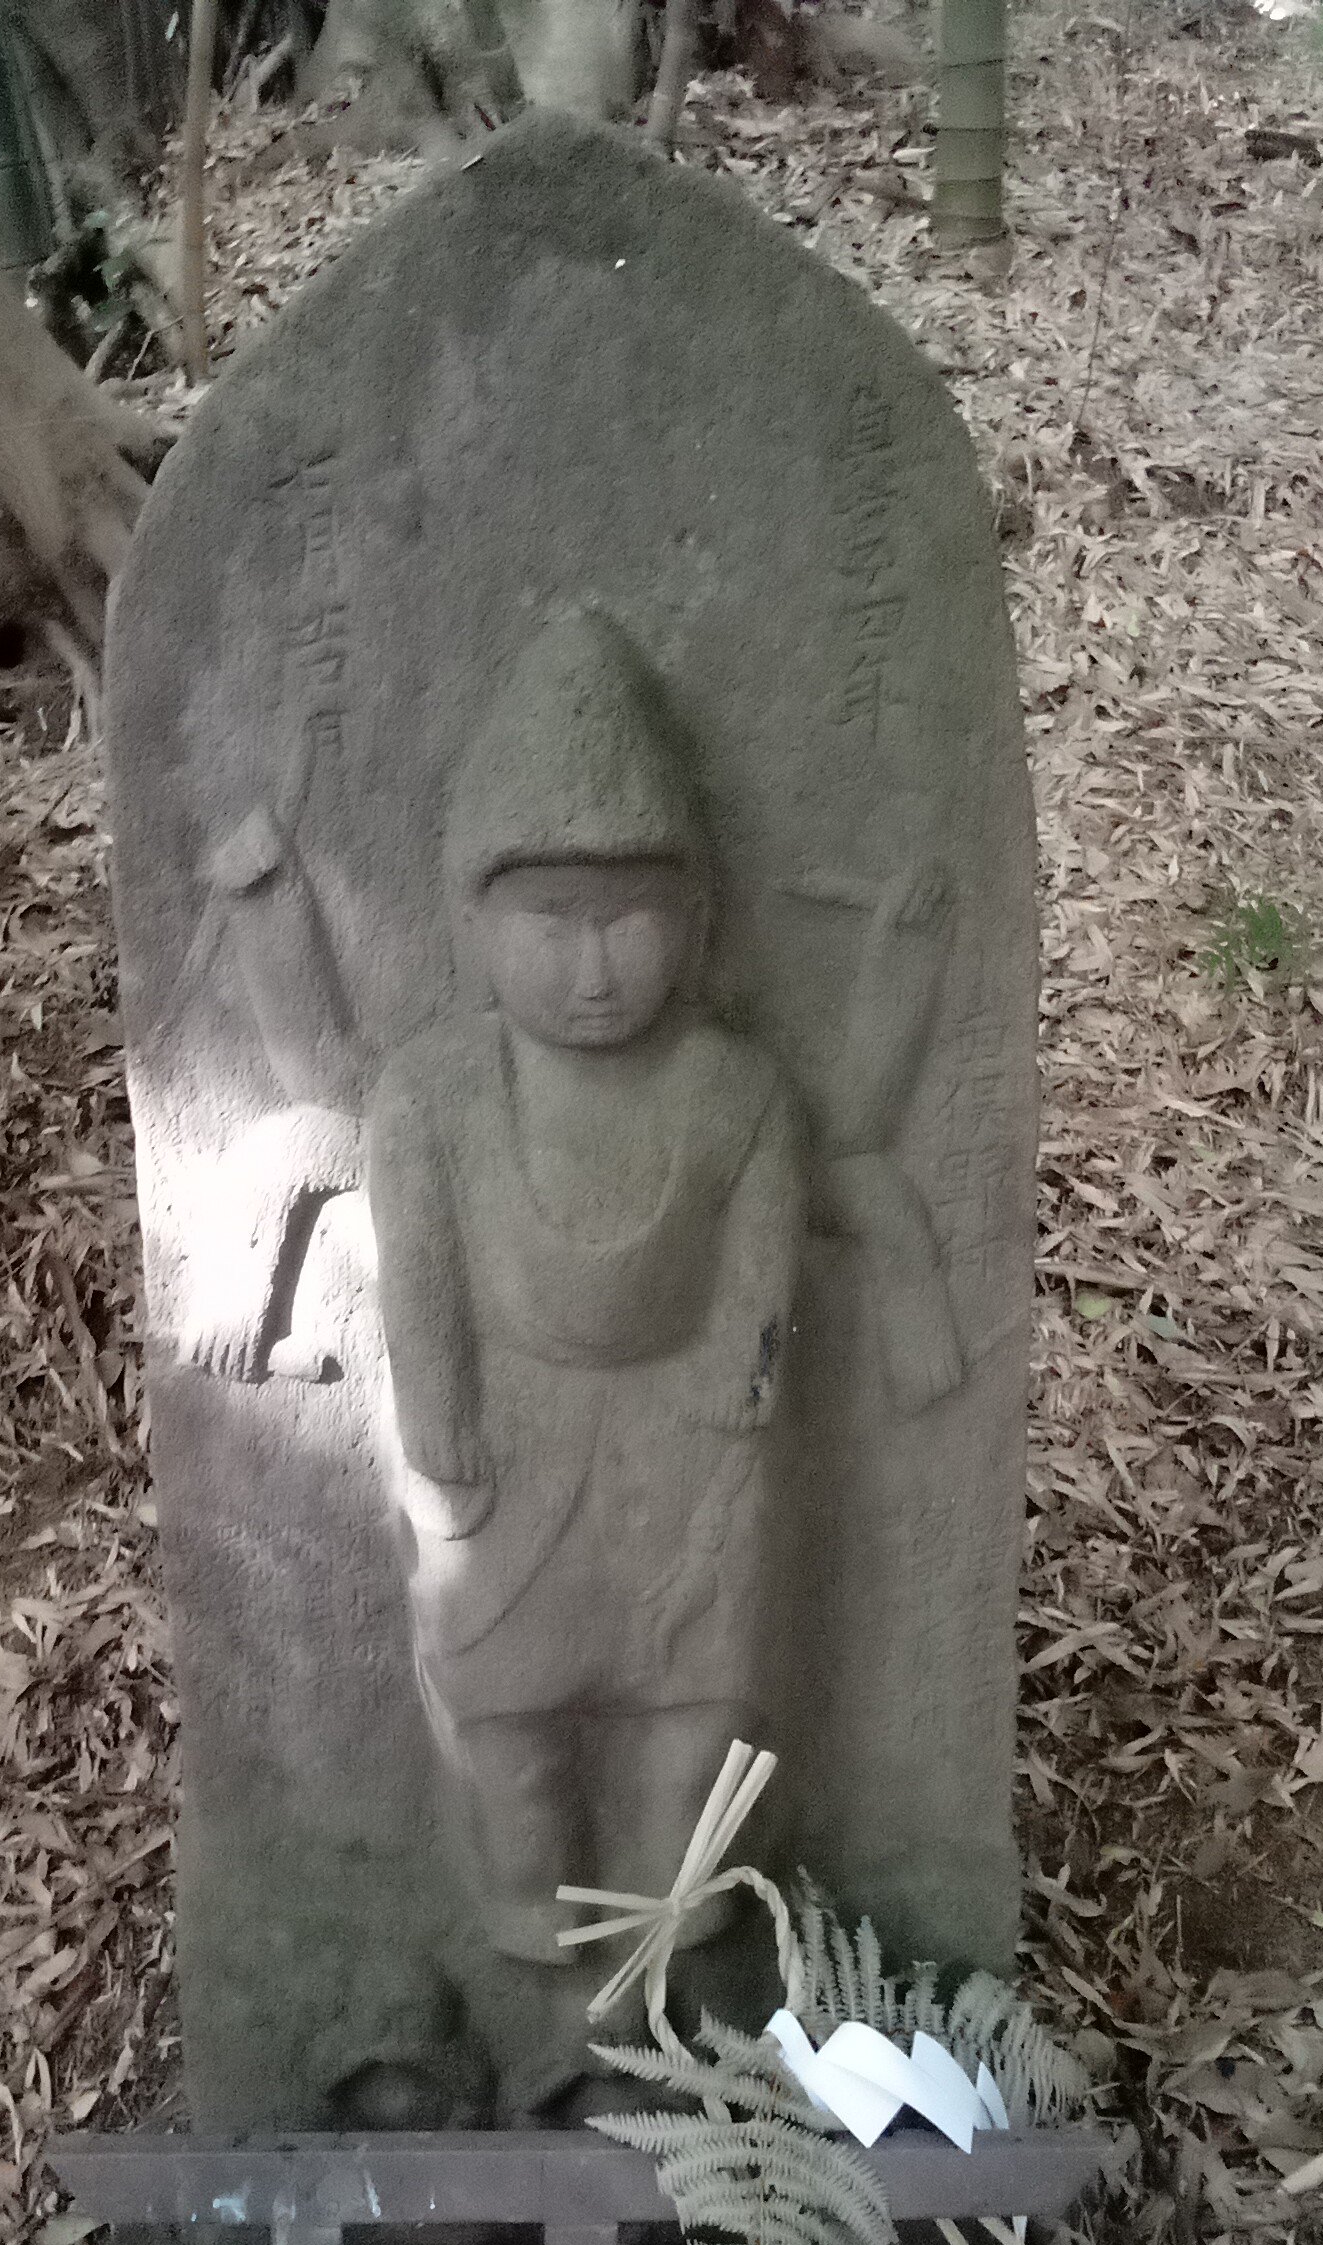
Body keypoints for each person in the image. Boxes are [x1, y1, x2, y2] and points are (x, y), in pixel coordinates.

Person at [366, 611, 804, 1962]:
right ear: (473, 923)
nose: (594, 967)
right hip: (511, 1425)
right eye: (552, 923)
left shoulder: (733, 1088)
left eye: (630, 920)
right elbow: (419, 1278)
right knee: (498, 1689)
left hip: (684, 1429)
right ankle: (527, 1893)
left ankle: (678, 1887)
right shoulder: (433, 1096)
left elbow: (764, 1256)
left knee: (700, 1683)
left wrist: (746, 1364)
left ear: (697, 917)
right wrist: (439, 1418)